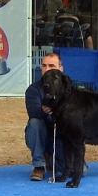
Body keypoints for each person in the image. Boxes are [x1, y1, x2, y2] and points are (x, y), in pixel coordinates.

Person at [25, 53, 66, 181]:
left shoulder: (68, 88)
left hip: (60, 136)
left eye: (51, 66)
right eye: (44, 66)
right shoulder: (33, 89)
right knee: (35, 122)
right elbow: (34, 112)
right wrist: (45, 109)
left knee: (81, 171)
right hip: (41, 133)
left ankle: (52, 161)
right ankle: (39, 166)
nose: (47, 69)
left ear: (61, 69)